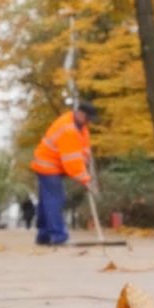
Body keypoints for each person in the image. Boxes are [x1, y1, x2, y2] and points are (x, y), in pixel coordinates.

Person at [30, 102, 97, 245]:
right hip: (48, 166)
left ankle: (44, 235)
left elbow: (83, 149)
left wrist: (86, 162)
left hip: (50, 164)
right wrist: (85, 179)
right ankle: (58, 236)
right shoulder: (69, 129)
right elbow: (71, 161)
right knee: (55, 199)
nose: (89, 122)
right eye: (88, 118)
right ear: (79, 113)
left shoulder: (81, 127)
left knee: (46, 201)